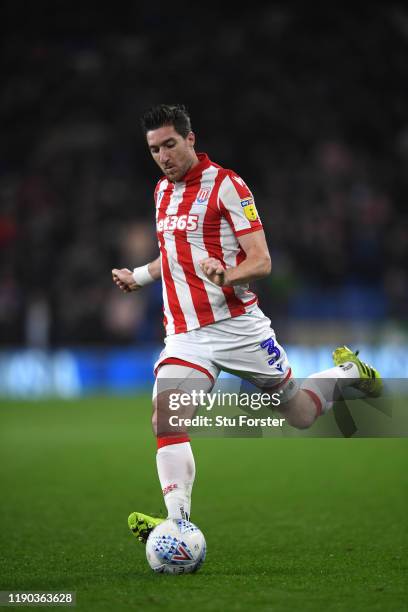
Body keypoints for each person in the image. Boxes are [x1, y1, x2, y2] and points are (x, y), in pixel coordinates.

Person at [112, 104, 382, 542]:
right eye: (154, 149)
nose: (163, 156)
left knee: (300, 413)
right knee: (167, 415)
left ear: (190, 139)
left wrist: (228, 275)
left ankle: (348, 372)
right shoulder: (162, 191)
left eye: (170, 145)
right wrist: (139, 276)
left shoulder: (227, 186)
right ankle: (177, 524)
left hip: (239, 329)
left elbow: (262, 261)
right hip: (185, 335)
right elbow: (175, 252)